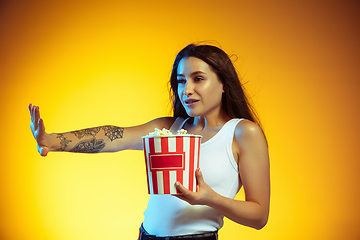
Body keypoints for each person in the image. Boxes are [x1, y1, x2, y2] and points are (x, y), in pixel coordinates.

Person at [29, 43, 270, 240]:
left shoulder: (242, 133)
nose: (186, 90)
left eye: (198, 79)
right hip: (145, 236)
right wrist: (52, 140)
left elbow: (259, 216)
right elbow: (115, 137)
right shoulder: (171, 128)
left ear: (224, 85)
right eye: (181, 81)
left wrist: (210, 199)